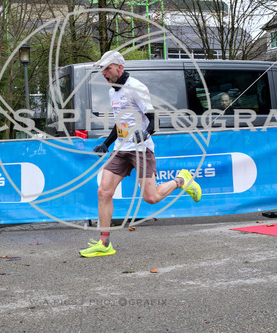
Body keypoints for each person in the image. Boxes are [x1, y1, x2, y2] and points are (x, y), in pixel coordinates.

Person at [79, 50, 202, 258]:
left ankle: (181, 181)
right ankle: (104, 243)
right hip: (121, 149)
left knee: (151, 197)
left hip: (141, 149)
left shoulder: (136, 87)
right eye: (101, 69)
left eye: (107, 68)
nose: (103, 73)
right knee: (103, 192)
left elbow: (154, 119)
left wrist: (145, 133)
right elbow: (120, 123)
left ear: (120, 67)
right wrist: (106, 144)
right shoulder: (112, 92)